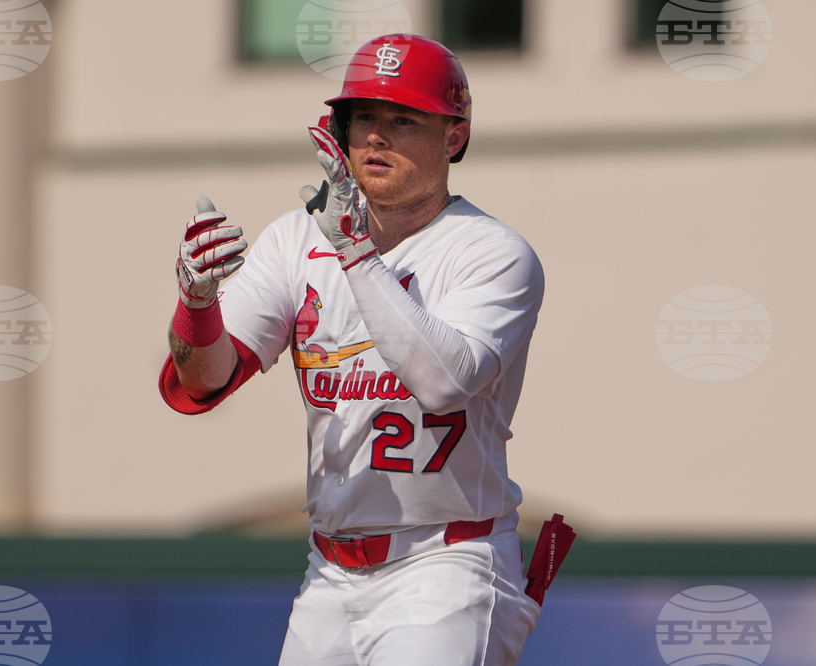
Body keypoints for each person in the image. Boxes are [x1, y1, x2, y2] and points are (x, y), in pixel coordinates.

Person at [159, 33, 545, 666]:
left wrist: (355, 251)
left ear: (453, 137)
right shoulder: (295, 239)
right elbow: (202, 383)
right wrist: (196, 306)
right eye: (363, 117)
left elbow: (446, 383)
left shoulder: (491, 251)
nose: (376, 137)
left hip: (446, 563)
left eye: (403, 119)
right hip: (328, 573)